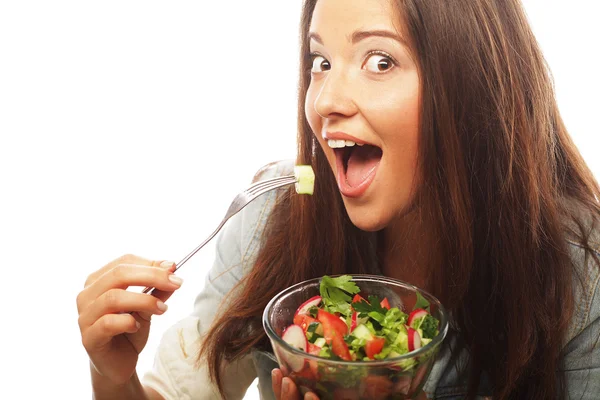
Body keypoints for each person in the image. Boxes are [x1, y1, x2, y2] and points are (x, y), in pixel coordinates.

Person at [76, 0, 600, 398]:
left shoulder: (579, 265)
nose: (324, 102)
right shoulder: (272, 214)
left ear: (473, 84)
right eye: (320, 61)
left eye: (378, 61)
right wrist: (111, 375)